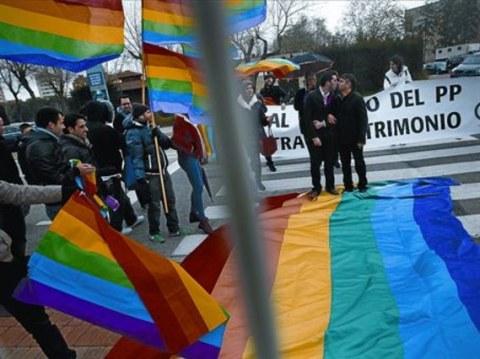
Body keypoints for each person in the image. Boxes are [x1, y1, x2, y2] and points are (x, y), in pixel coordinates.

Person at [0, 181, 76, 359]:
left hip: (7, 265)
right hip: (5, 267)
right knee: (36, 320)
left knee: (36, 319)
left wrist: (64, 190)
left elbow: (18, 193)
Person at [81, 101, 144, 235]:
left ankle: (131, 218)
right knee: (114, 198)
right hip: (110, 170)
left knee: (117, 194)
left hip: (95, 169)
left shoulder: (86, 128)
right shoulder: (105, 129)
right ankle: (116, 228)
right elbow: (122, 144)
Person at [21, 107, 93, 220]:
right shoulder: (40, 146)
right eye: (61, 123)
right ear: (51, 125)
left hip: (62, 198)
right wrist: (76, 171)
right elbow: (53, 177)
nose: (63, 127)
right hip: (58, 201)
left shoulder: (47, 142)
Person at [124, 104, 180, 242]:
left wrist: (158, 134)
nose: (151, 114)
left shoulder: (151, 127)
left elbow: (167, 144)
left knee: (170, 200)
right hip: (151, 174)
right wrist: (141, 178)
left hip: (163, 171)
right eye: (148, 112)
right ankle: (154, 231)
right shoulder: (133, 132)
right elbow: (136, 157)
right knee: (154, 205)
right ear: (140, 115)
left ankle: (174, 228)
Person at [172, 114, 214, 234]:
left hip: (193, 156)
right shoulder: (180, 120)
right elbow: (177, 140)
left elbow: (199, 136)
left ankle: (195, 213)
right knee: (198, 186)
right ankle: (202, 219)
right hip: (188, 157)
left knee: (199, 186)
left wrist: (201, 152)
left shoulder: (192, 118)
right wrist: (191, 149)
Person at [303, 70, 339, 199]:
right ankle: (316, 188)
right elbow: (306, 119)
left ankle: (330, 186)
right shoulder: (311, 96)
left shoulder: (334, 97)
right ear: (327, 82)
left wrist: (324, 122)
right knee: (315, 163)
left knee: (329, 162)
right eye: (334, 80)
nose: (337, 82)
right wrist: (313, 136)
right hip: (315, 136)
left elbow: (336, 117)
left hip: (329, 134)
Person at [0, 115, 28, 258]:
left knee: (17, 240)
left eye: (2, 124)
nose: (2, 128)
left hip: (12, 198)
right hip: (7, 202)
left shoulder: (3, 143)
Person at [336, 73, 368, 192]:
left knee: (359, 161)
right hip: (342, 137)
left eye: (342, 81)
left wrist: (361, 138)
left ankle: (362, 183)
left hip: (355, 137)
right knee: (345, 163)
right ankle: (348, 185)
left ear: (349, 84)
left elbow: (363, 120)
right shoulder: (338, 99)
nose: (339, 83)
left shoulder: (357, 98)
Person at [237, 80, 271, 191]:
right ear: (243, 90)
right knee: (252, 159)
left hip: (258, 135)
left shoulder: (257, 103)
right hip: (246, 136)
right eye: (247, 88)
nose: (249, 90)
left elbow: (262, 120)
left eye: (251, 88)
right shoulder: (238, 105)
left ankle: (258, 180)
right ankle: (253, 181)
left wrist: (267, 120)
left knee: (257, 158)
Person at [259, 73, 285, 172]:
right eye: (267, 79)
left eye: (271, 79)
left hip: (276, 112)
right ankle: (269, 161)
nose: (269, 80)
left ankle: (270, 161)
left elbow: (285, 95)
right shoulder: (262, 91)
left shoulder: (277, 89)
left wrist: (283, 102)